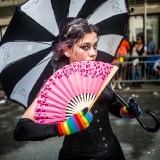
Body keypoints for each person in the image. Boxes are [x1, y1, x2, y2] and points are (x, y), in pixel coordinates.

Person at [13, 18, 142, 160]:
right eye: (85, 47)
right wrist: (63, 128)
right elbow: (21, 130)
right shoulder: (54, 85)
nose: (93, 53)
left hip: (113, 153)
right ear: (66, 50)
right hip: (76, 156)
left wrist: (125, 111)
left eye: (95, 46)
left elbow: (110, 104)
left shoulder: (99, 74)